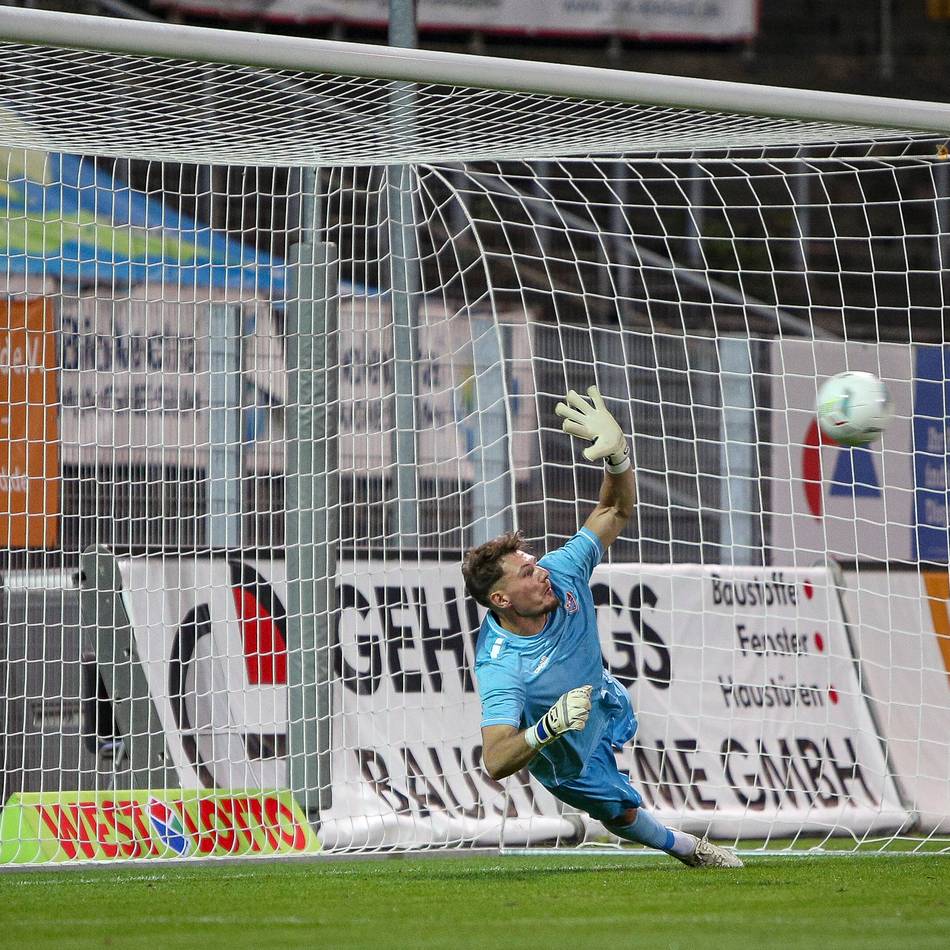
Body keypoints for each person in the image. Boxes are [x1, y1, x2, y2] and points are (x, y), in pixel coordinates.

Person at [462, 386, 742, 868]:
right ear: (501, 599)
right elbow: (494, 759)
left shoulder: (563, 572)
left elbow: (614, 511)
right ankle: (689, 850)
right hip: (565, 751)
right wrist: (547, 727)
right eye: (528, 573)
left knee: (616, 731)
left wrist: (617, 459)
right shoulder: (503, 668)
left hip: (599, 694)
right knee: (620, 810)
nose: (542, 572)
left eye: (535, 562)